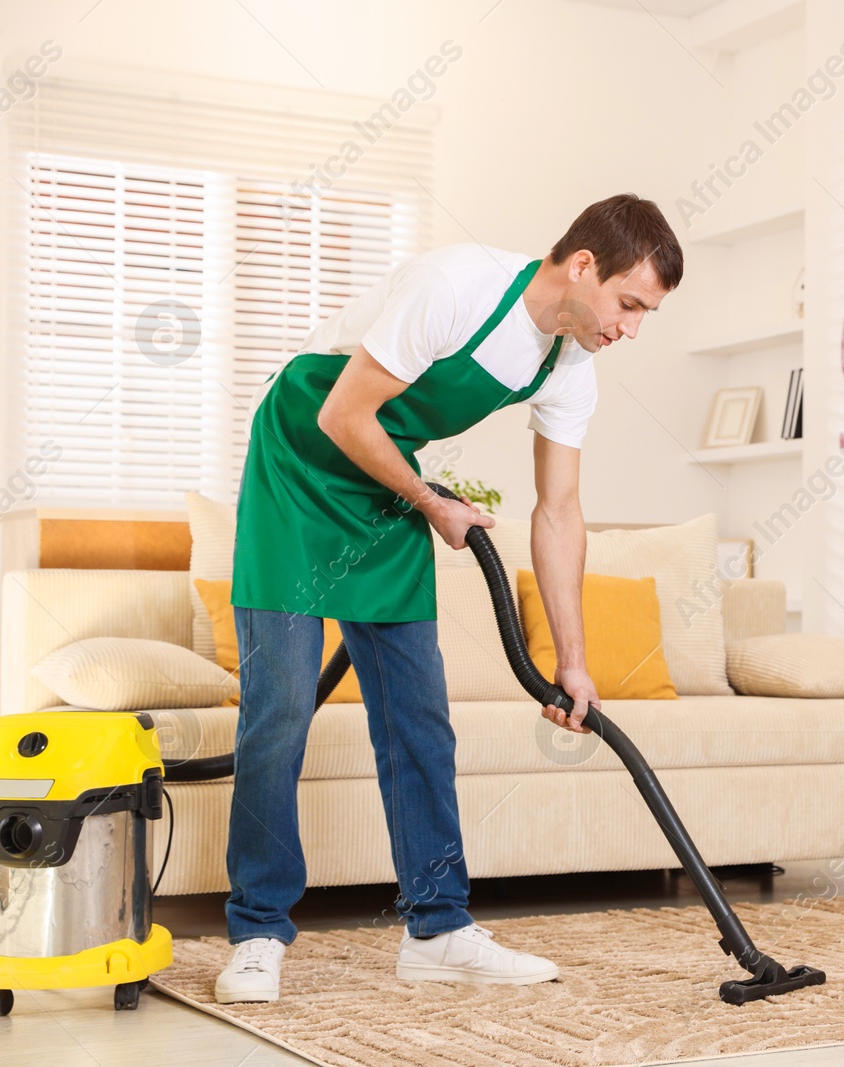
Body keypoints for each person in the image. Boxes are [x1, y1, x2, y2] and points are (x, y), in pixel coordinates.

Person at [214, 194, 682, 1004]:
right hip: (301, 457)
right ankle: (257, 929)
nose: (630, 328)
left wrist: (571, 662)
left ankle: (437, 926)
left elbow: (559, 511)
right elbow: (341, 410)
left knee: (418, 718)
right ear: (581, 267)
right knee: (281, 709)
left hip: (384, 469)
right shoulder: (456, 286)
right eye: (629, 304)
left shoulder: (569, 363)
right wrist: (433, 505)